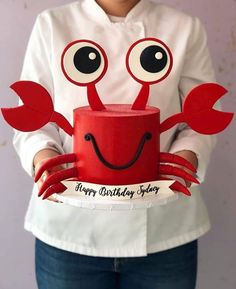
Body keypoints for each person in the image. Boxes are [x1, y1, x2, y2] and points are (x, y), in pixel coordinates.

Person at [13, 0, 216, 288]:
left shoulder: (185, 28)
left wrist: (188, 157)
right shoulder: (52, 24)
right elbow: (34, 119)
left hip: (164, 230)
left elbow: (200, 120)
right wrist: (43, 159)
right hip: (68, 231)